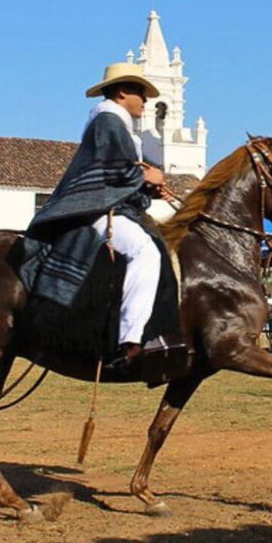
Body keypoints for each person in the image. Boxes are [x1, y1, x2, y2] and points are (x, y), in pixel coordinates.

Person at [20, 61, 169, 371]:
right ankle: (131, 340)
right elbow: (111, 169)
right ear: (123, 91)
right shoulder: (109, 122)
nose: (145, 100)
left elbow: (116, 172)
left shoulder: (115, 123)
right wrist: (147, 177)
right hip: (95, 210)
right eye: (141, 92)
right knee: (146, 251)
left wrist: (144, 187)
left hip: (107, 205)